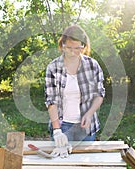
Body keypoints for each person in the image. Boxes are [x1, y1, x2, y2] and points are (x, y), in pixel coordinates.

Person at [44, 25, 105, 157]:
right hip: (62, 125)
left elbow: (99, 94)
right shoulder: (53, 67)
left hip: (86, 127)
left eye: (78, 48)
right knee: (61, 162)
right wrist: (57, 131)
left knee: (84, 162)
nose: (73, 52)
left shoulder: (92, 65)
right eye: (69, 48)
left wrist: (89, 114)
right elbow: (51, 101)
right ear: (62, 45)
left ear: (83, 46)